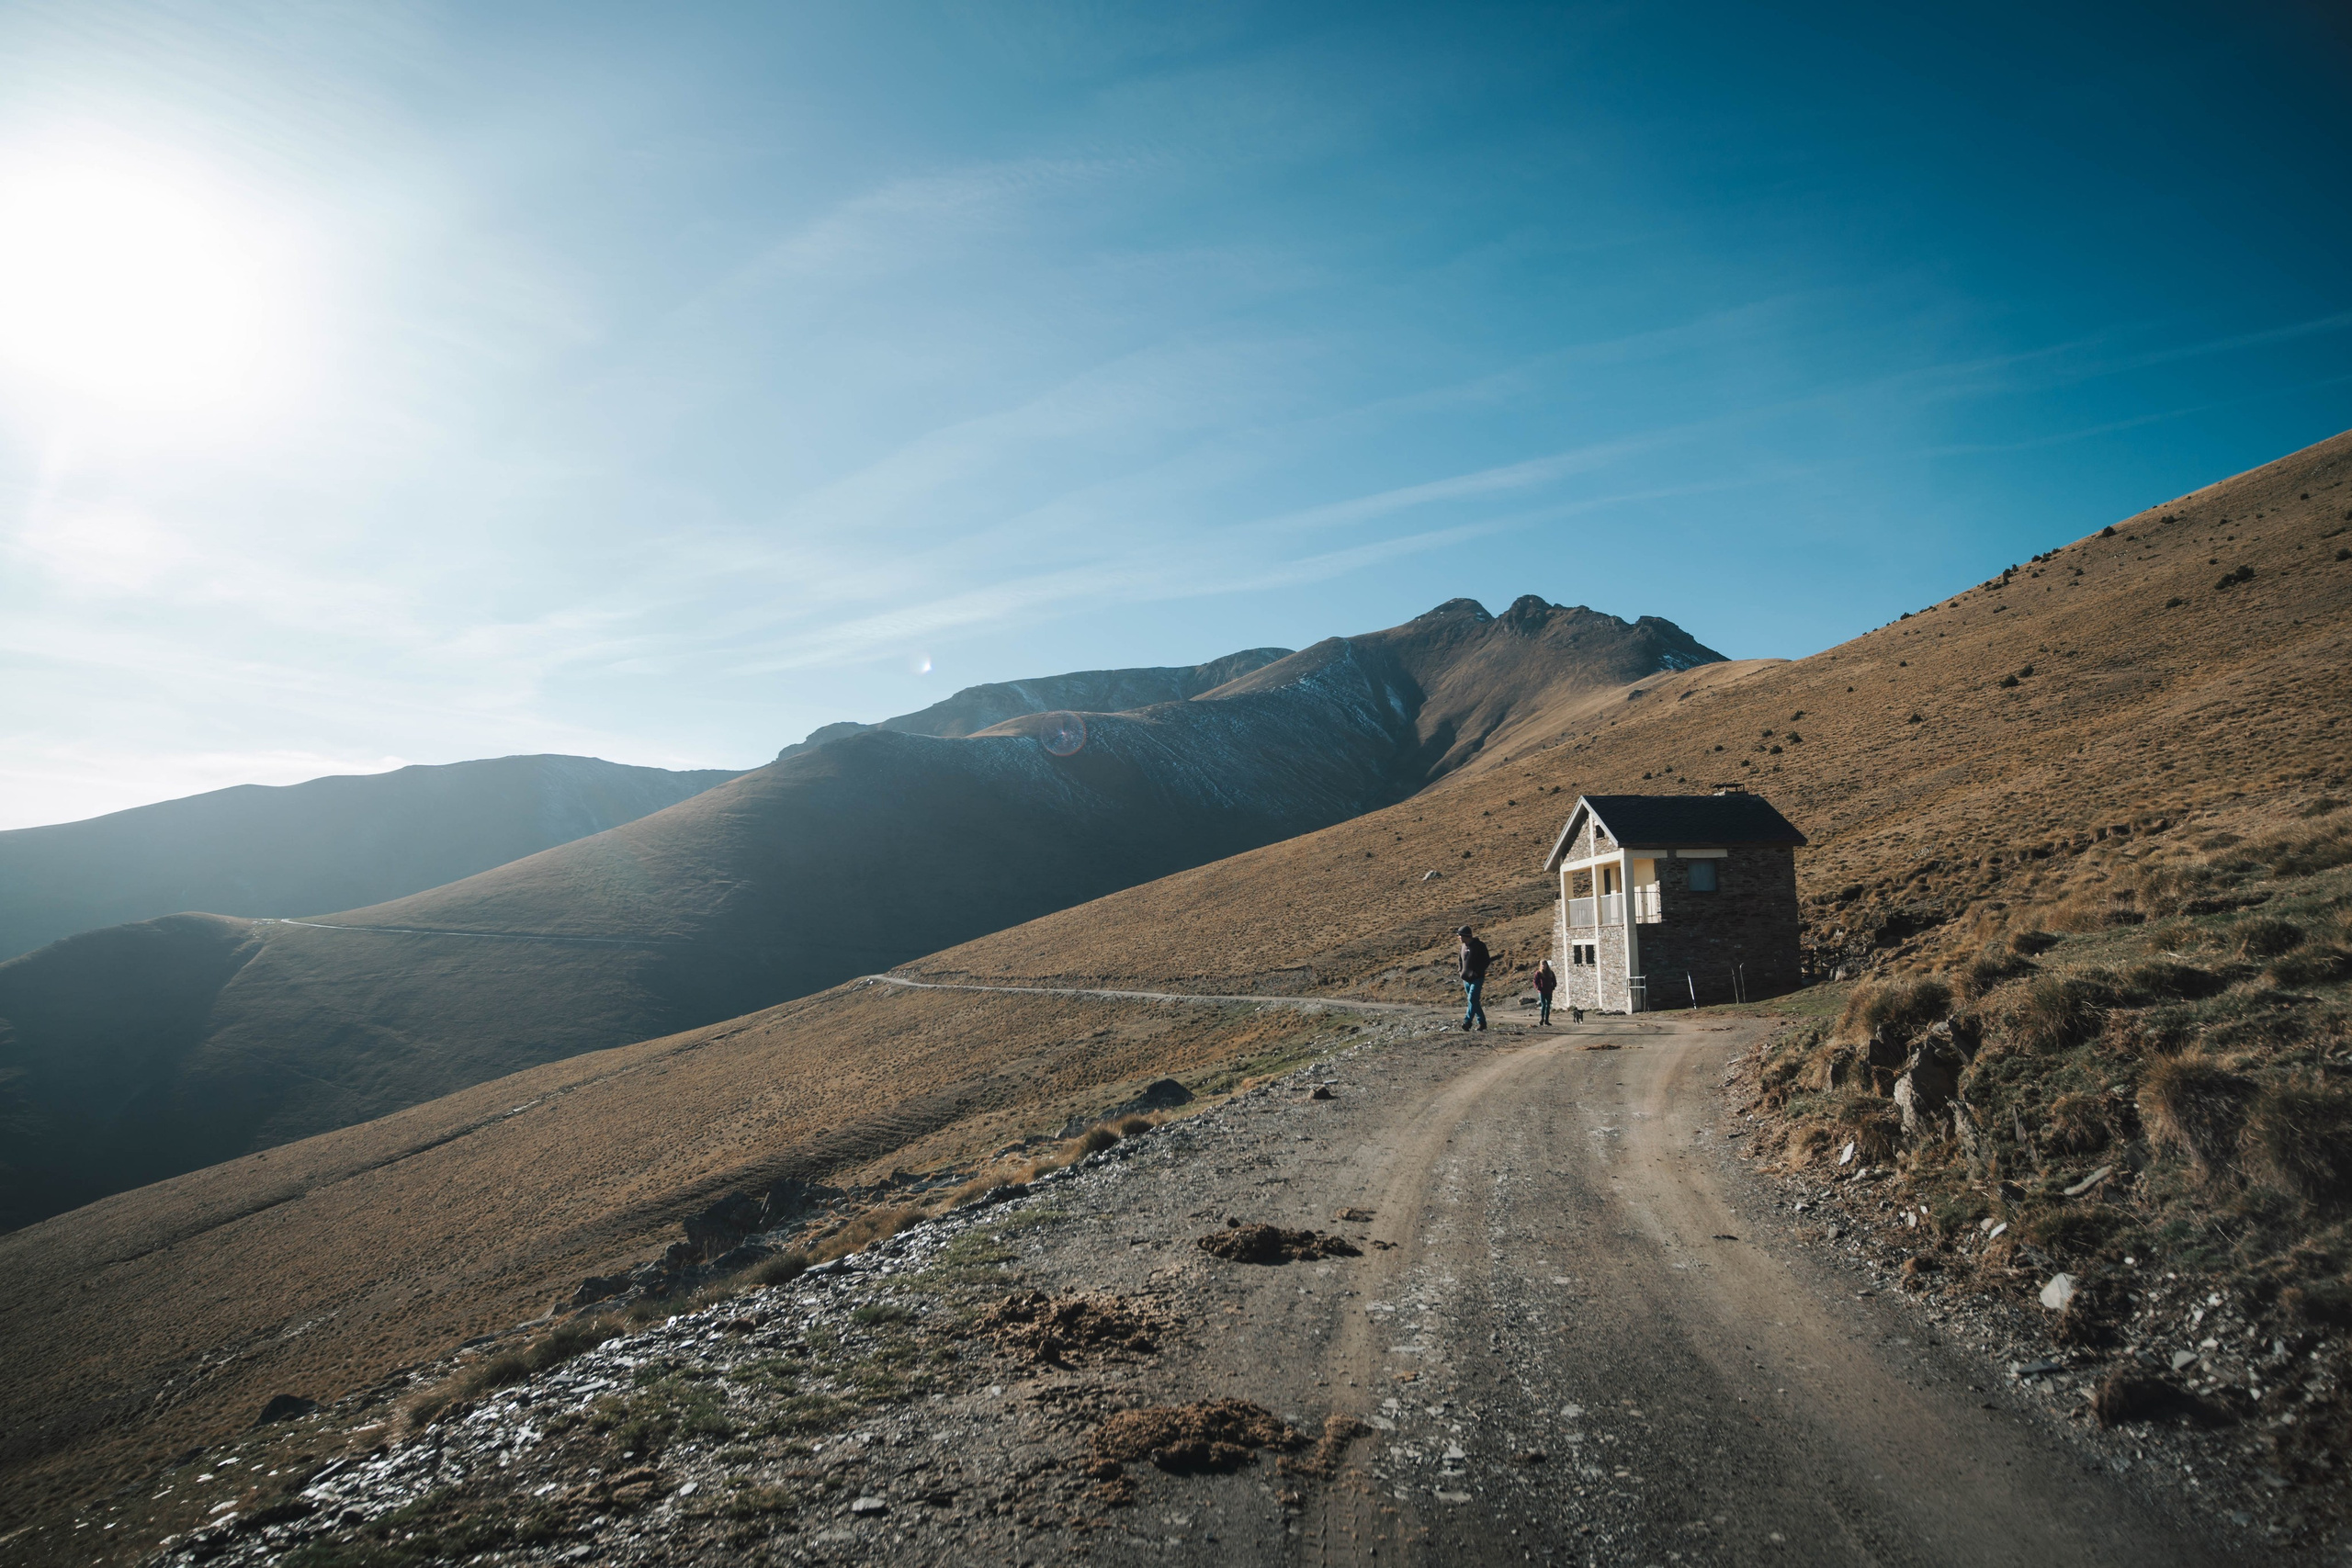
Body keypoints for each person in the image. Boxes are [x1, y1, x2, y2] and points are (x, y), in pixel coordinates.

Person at [1455, 924, 1489, 1031]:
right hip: (1465, 979)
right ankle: (1482, 1023)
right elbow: (1460, 960)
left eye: (1460, 935)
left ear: (1466, 935)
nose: (1458, 937)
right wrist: (1460, 971)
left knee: (1472, 999)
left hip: (1477, 978)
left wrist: (1476, 972)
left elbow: (1486, 961)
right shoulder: (1463, 947)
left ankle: (1467, 1021)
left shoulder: (1479, 946)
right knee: (1474, 1001)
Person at [1534, 957, 1557, 1024]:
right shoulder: (1538, 973)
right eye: (1542, 965)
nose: (1543, 966)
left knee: (1548, 1005)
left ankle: (1546, 1020)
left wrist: (1553, 987)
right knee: (1543, 1005)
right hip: (1541, 991)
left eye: (1544, 964)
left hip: (1549, 991)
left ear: (1547, 965)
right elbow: (1535, 981)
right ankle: (1542, 1019)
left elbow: (1554, 981)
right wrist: (1538, 987)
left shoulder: (1550, 973)